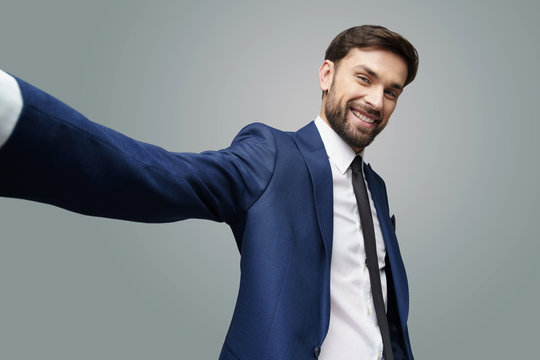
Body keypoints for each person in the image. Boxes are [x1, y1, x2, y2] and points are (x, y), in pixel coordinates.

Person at [0, 25, 418, 359]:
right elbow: (153, 175)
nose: (376, 100)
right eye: (364, 78)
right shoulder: (272, 155)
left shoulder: (375, 188)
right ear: (327, 75)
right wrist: (13, 118)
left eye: (391, 91)